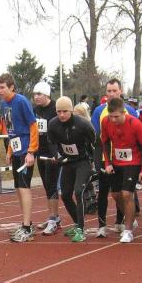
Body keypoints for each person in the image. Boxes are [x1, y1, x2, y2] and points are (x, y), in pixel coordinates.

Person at [100, 97, 142, 243]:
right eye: (111, 116)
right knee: (116, 195)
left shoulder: (135, 124)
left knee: (127, 194)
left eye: (116, 116)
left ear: (123, 112)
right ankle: (131, 217)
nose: (113, 119)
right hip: (116, 163)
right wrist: (107, 163)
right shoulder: (106, 122)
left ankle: (128, 230)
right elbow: (104, 142)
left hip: (133, 162)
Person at [92, 78, 139, 237]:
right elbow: (97, 138)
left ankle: (121, 221)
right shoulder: (99, 111)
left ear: (120, 91)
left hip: (126, 159)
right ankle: (101, 225)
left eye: (114, 91)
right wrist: (98, 160)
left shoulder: (130, 111)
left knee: (122, 192)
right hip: (106, 158)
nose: (111, 94)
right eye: (109, 91)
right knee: (104, 191)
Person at [47, 97, 96, 242]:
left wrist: (95, 162)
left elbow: (95, 142)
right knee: (65, 195)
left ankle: (81, 229)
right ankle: (77, 223)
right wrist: (57, 156)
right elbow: (52, 143)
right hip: (68, 162)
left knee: (79, 192)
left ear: (71, 111)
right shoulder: (53, 124)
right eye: (59, 112)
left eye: (65, 111)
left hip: (83, 161)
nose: (61, 115)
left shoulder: (83, 124)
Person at [0, 72, 39, 242]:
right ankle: (26, 223)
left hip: (26, 149)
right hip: (15, 149)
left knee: (24, 186)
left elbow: (33, 125)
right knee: (18, 188)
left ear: (11, 87)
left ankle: (27, 227)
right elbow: (9, 130)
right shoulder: (2, 104)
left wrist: (31, 151)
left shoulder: (21, 101)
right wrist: (9, 151)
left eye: (2, 87)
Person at [32, 81, 61, 235]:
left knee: (51, 186)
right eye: (34, 94)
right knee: (46, 186)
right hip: (40, 152)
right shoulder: (35, 110)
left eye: (39, 94)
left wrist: (58, 152)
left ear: (47, 95)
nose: (36, 97)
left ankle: (53, 219)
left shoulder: (56, 109)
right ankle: (53, 217)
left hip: (53, 153)